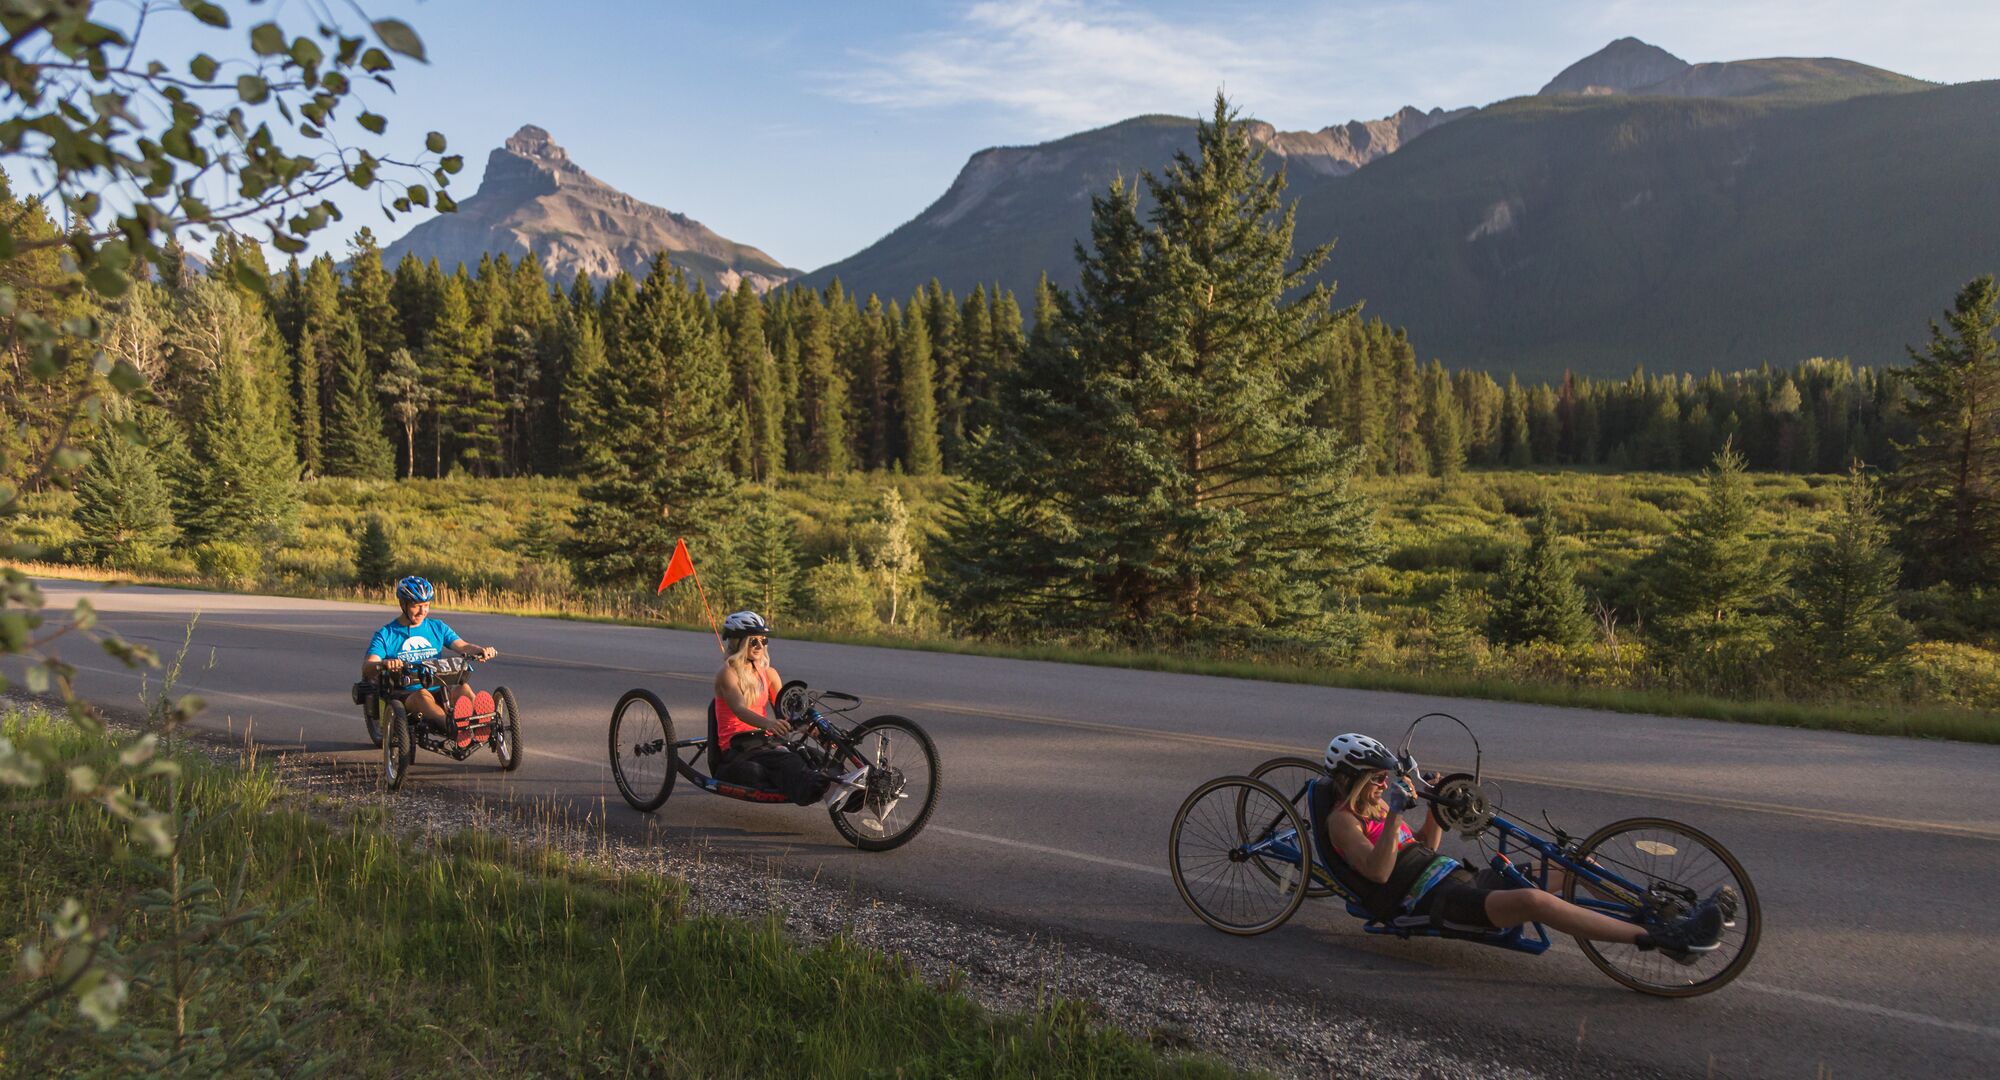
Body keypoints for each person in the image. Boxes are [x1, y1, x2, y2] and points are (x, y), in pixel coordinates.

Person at [1312, 733, 1734, 959]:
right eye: (1377, 778)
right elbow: (1381, 872)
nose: (1385, 784)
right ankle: (1666, 939)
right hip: (1434, 904)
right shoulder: (1342, 823)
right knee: (1535, 902)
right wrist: (1396, 814)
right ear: (1354, 779)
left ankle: (1664, 912)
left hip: (1458, 877)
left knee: (1573, 864)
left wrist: (1434, 811)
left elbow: (1422, 846)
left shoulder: (1378, 807)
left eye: (1386, 778)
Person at [710, 611, 866, 808]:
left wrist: (818, 733)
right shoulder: (727, 675)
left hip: (766, 741)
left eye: (763, 640)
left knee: (817, 758)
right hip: (740, 746)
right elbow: (740, 710)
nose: (760, 646)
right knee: (789, 761)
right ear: (736, 642)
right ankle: (819, 789)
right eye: (753, 641)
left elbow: (788, 714)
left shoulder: (769, 674)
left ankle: (861, 798)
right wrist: (768, 723)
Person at [361, 576, 499, 748]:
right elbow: (368, 666)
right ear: (402, 604)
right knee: (423, 696)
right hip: (408, 694)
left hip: (439, 688)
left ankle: (482, 722)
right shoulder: (386, 634)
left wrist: (480, 650)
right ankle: (453, 727)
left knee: (463, 688)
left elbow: (462, 646)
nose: (422, 611)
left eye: (426, 605)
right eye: (416, 606)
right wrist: (385, 664)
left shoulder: (437, 627)